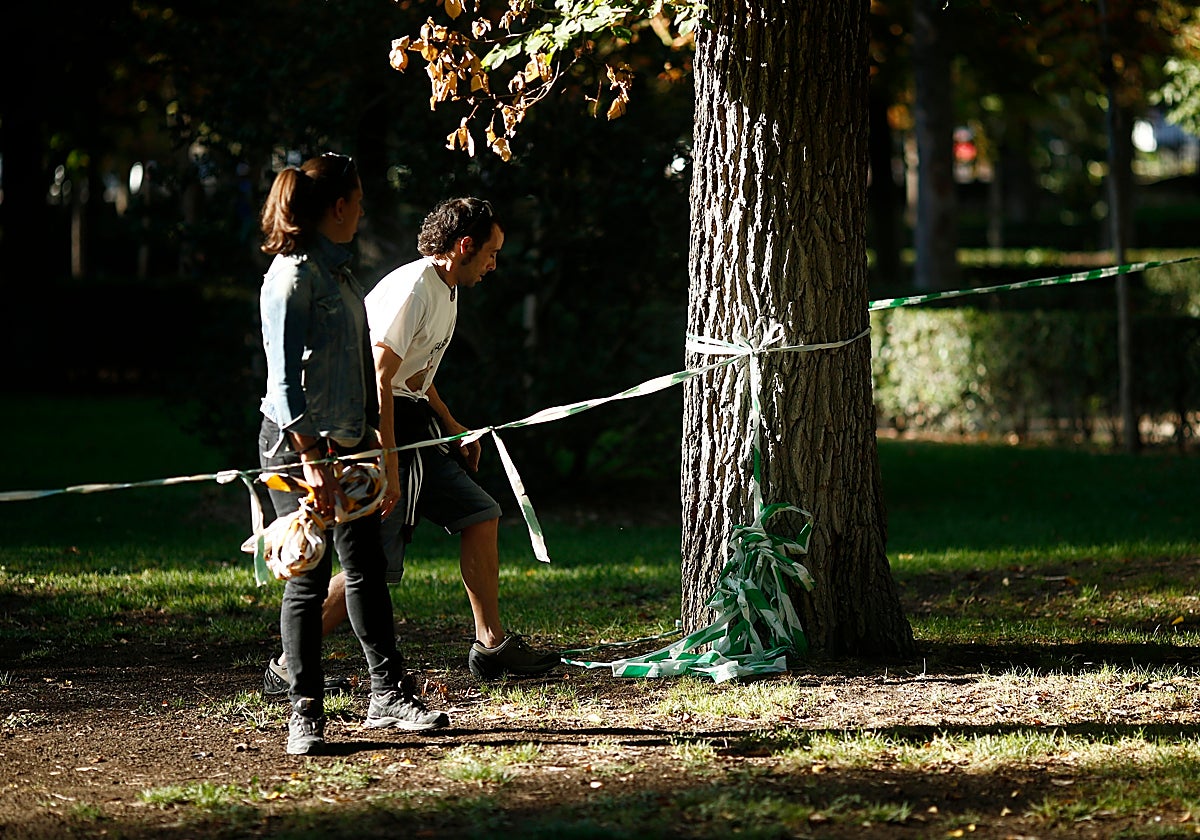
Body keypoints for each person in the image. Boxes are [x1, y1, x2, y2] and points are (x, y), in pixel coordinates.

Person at [262, 196, 559, 694]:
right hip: (384, 430)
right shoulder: (415, 287)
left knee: (480, 514)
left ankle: (491, 646)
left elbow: (416, 373)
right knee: (371, 565)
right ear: (464, 246)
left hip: (416, 425)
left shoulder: (447, 287)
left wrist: (453, 425)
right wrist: (389, 462)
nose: (493, 264)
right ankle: (287, 666)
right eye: (491, 253)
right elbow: (380, 378)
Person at [256, 152, 449, 755]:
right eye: (359, 202)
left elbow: (364, 372)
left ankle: (388, 695)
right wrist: (312, 459)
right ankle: (305, 713)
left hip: (350, 445)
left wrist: (377, 451)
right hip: (296, 452)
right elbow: (284, 386)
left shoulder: (341, 273)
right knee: (309, 576)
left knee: (365, 568)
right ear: (338, 207)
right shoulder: (290, 278)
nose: (363, 213)